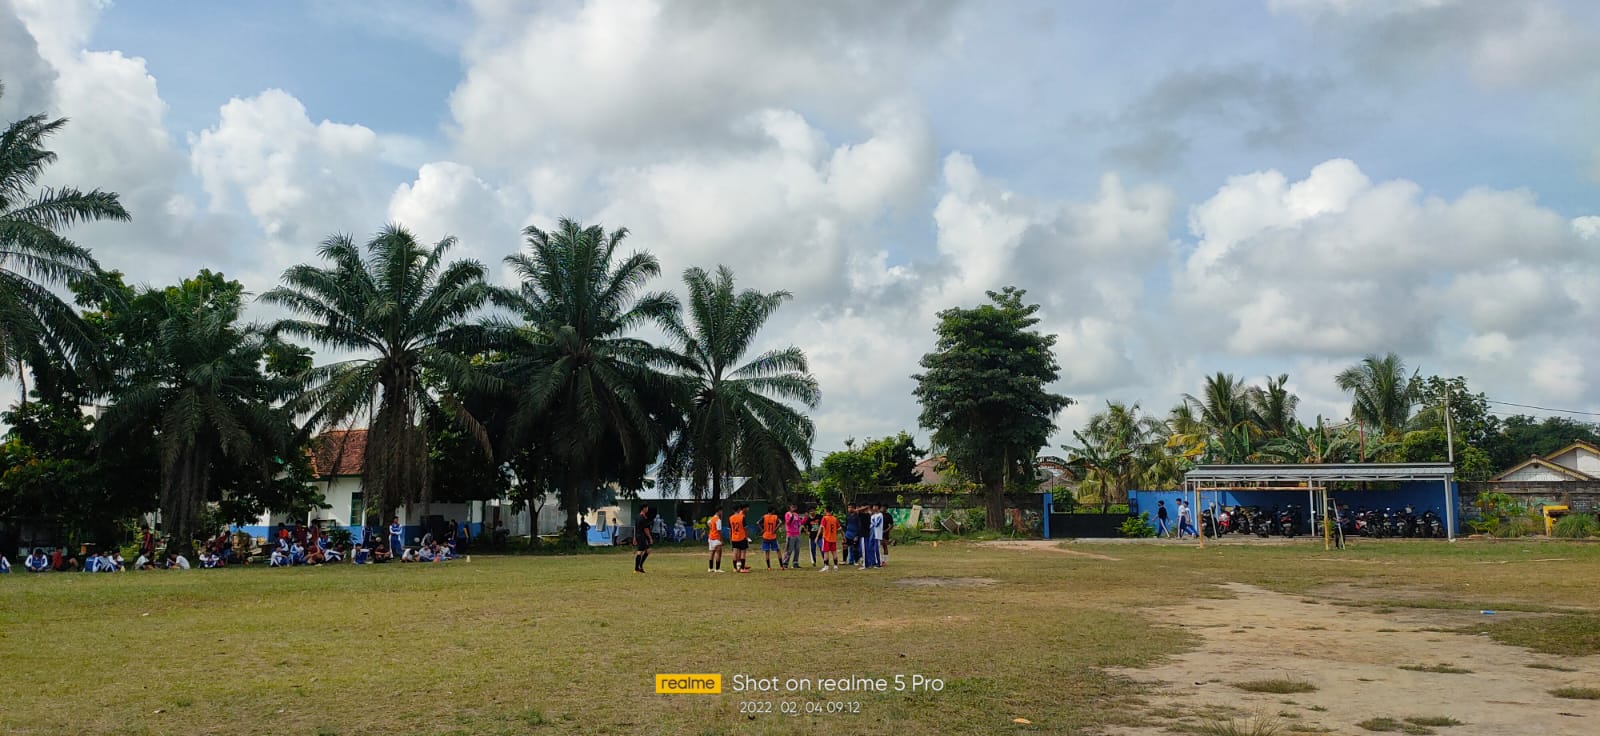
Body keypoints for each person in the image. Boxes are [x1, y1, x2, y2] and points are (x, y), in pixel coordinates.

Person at [782, 504, 805, 569]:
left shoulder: (796, 514)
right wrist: (791, 517)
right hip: (790, 534)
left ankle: (795, 563)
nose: (794, 508)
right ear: (790, 507)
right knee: (789, 550)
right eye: (792, 507)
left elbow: (799, 523)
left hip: (797, 534)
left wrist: (804, 519)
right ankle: (785, 563)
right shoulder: (787, 514)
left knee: (797, 549)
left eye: (795, 507)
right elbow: (788, 523)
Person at [729, 504, 750, 573]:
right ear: (738, 509)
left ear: (733, 510)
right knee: (743, 553)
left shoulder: (730, 518)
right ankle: (742, 568)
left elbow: (730, 530)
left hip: (734, 537)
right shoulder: (742, 517)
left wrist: (730, 538)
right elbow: (745, 528)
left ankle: (735, 568)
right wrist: (747, 537)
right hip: (742, 537)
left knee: (735, 553)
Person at [634, 506, 655, 573]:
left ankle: (639, 567)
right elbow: (646, 529)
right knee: (640, 551)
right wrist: (650, 538)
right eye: (647, 508)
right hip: (642, 536)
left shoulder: (637, 517)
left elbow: (635, 528)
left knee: (647, 550)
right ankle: (637, 568)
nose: (647, 509)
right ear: (644, 508)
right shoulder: (643, 518)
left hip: (638, 535)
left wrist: (634, 537)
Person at [706, 508, 725, 573]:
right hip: (716, 538)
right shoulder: (718, 520)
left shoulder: (712, 518)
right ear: (719, 511)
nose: (722, 512)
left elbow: (708, 522)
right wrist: (722, 540)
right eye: (721, 511)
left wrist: (711, 528)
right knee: (718, 553)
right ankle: (717, 568)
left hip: (711, 537)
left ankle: (710, 568)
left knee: (712, 553)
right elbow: (719, 531)